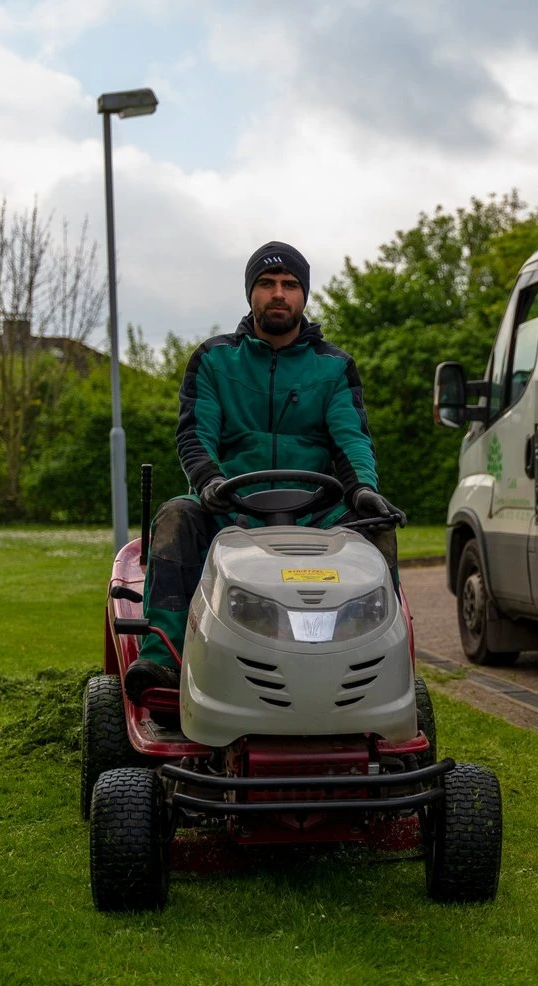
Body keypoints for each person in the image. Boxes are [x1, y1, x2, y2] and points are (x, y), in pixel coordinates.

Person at [123, 241, 404, 701]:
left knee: (377, 532)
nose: (279, 294)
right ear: (250, 293)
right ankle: (164, 655)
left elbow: (350, 438)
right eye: (267, 284)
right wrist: (209, 482)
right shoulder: (214, 359)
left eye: (290, 285)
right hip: (230, 507)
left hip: (315, 512)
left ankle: (382, 663)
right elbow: (196, 434)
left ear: (304, 296)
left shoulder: (333, 368)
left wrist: (364, 491)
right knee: (176, 515)